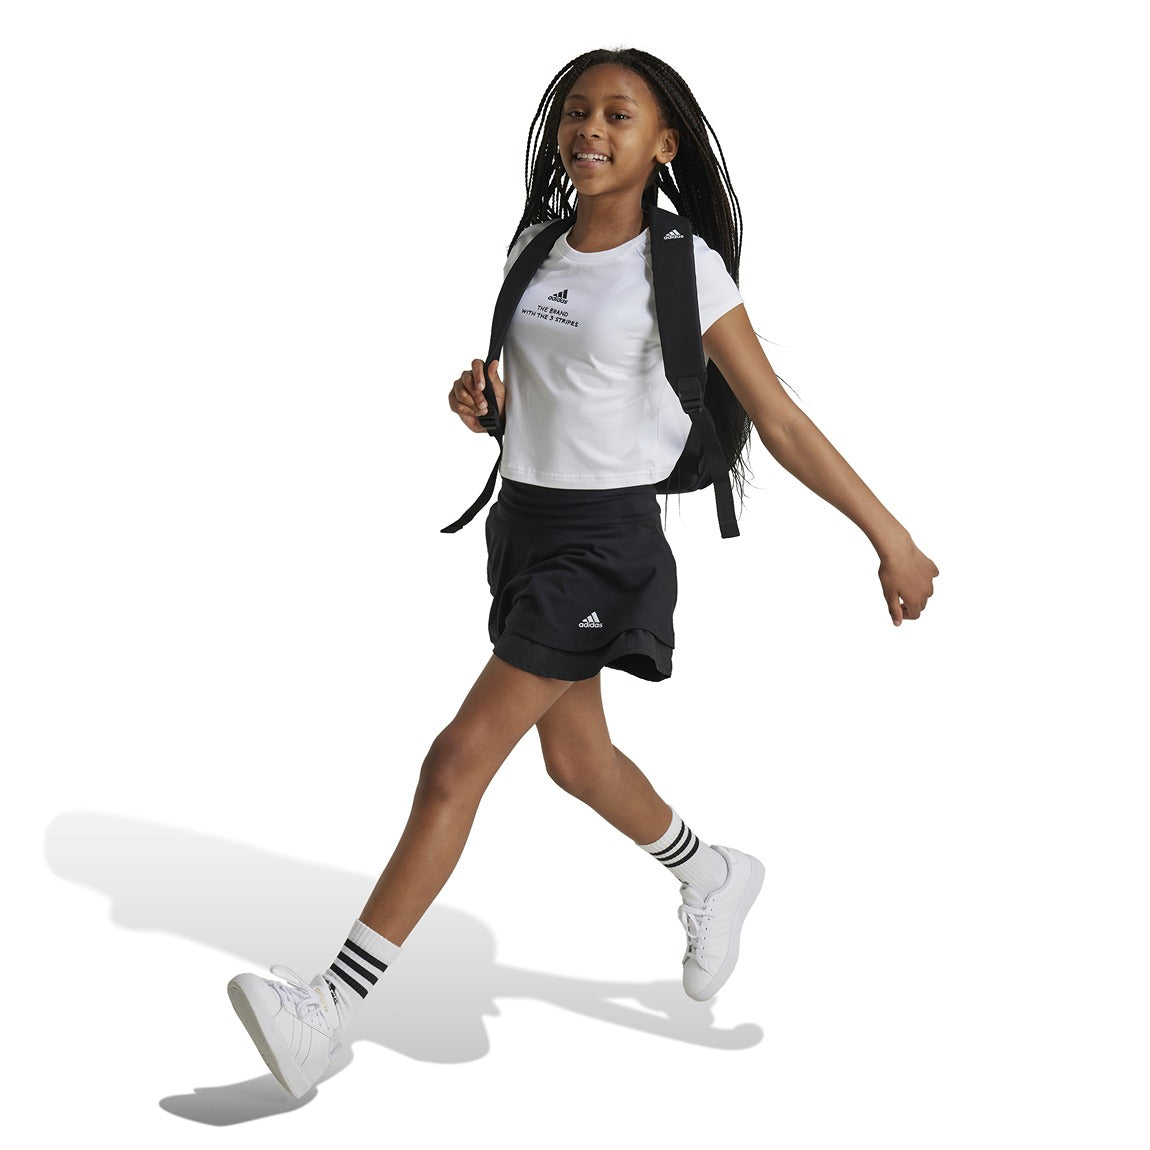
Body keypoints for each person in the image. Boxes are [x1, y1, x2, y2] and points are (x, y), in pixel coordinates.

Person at [227, 47, 939, 1100]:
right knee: (577, 761)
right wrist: (489, 410)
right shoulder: (534, 245)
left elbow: (780, 419)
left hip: (605, 547)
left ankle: (329, 1011)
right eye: (575, 112)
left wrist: (890, 536)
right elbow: (558, 396)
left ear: (664, 144)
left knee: (456, 760)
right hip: (522, 528)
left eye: (617, 113)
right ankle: (712, 872)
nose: (589, 130)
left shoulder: (684, 266)